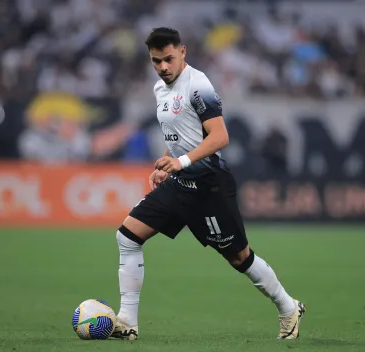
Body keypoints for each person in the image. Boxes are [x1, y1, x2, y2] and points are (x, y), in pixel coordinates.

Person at [111, 27, 305, 341]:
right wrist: (166, 163)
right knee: (128, 236)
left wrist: (181, 162)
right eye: (156, 61)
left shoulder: (198, 84)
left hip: (209, 186)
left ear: (183, 52)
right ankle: (127, 322)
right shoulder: (160, 90)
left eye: (168, 59)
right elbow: (178, 135)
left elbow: (219, 137)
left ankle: (287, 306)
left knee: (239, 257)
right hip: (178, 183)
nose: (163, 67)